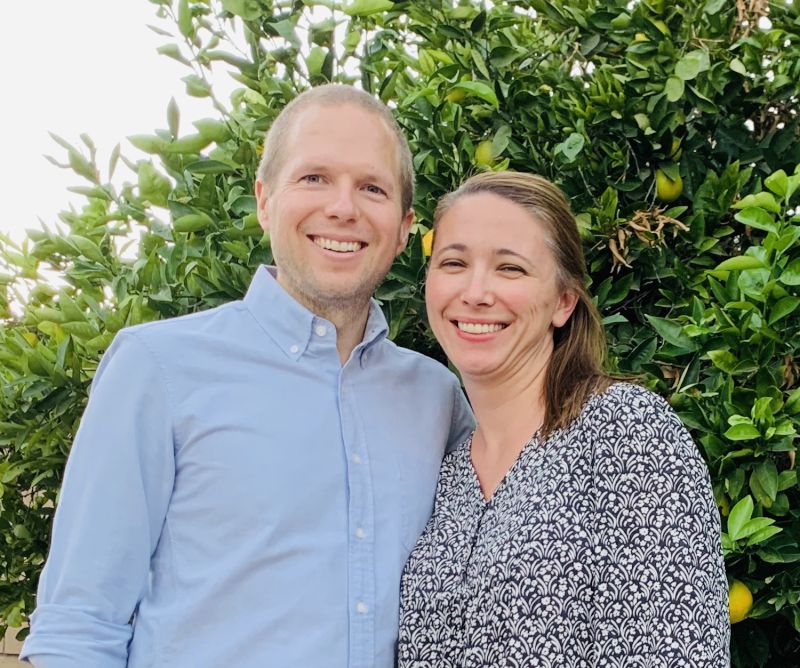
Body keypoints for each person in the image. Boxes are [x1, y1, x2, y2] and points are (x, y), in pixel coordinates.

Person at [21, 84, 474, 668]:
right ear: (264, 200)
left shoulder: (437, 397)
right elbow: (77, 627)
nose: (343, 207)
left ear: (405, 225)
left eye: (372, 188)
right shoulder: (157, 369)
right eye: (314, 178)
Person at [397, 171, 730, 666]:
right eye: (454, 262)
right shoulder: (447, 466)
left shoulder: (627, 433)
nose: (475, 291)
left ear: (563, 301)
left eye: (510, 268)